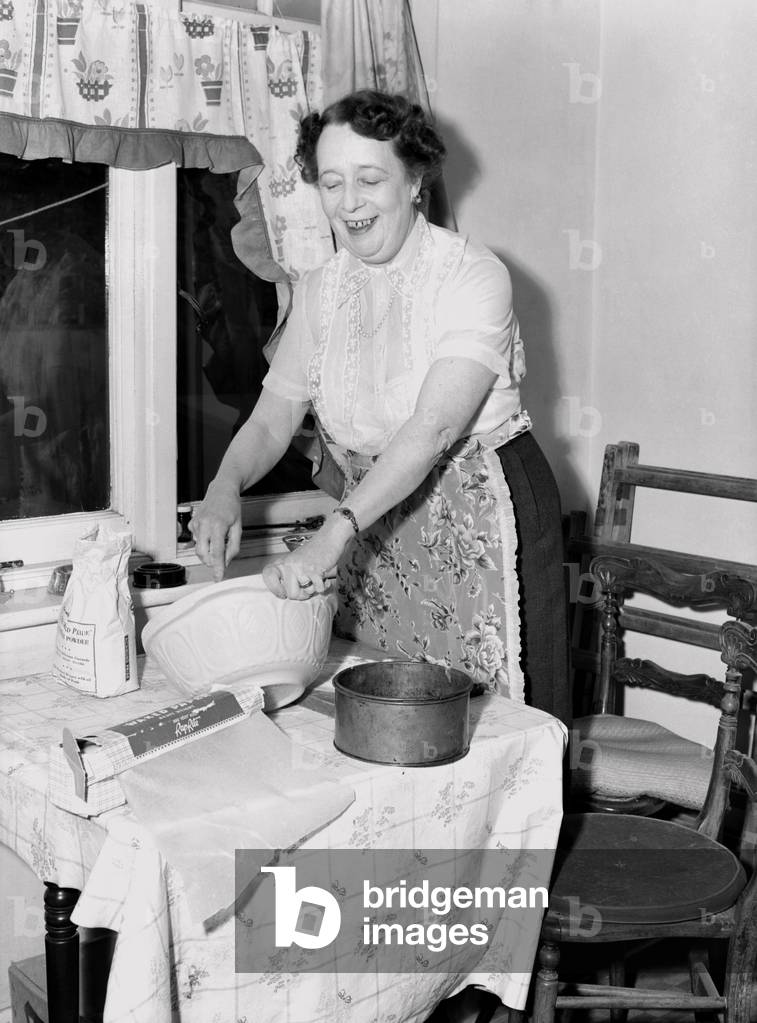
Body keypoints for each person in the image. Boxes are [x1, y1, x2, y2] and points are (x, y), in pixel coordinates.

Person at [190, 90, 569, 722]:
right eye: (332, 183)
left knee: (493, 724)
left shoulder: (473, 275)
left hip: (480, 518)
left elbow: (432, 429)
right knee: (388, 719)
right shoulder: (320, 291)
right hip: (378, 527)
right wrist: (225, 485)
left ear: (416, 180)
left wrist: (331, 536)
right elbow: (271, 418)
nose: (349, 202)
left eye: (370, 179)